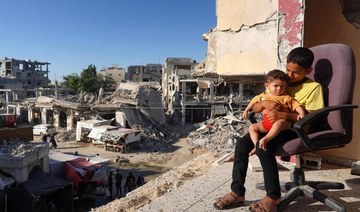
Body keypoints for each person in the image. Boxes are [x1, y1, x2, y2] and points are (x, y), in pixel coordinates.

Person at [213, 47, 324, 211]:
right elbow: (258, 106)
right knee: (242, 146)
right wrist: (264, 104)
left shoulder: (313, 87)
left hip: (293, 129)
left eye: (296, 72)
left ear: (308, 70)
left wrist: (283, 115)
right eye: (288, 69)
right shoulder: (280, 82)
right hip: (270, 126)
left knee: (264, 147)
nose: (289, 75)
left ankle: (273, 196)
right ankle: (237, 192)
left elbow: (313, 115)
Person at [242, 69, 306, 156]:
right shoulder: (263, 97)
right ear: (267, 85)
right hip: (266, 124)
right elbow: (253, 102)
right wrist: (246, 110)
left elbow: (297, 105)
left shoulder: (286, 97)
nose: (279, 89)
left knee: (278, 124)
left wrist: (301, 113)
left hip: (282, 123)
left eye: (282, 86)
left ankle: (265, 139)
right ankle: (256, 145)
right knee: (252, 127)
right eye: (276, 86)